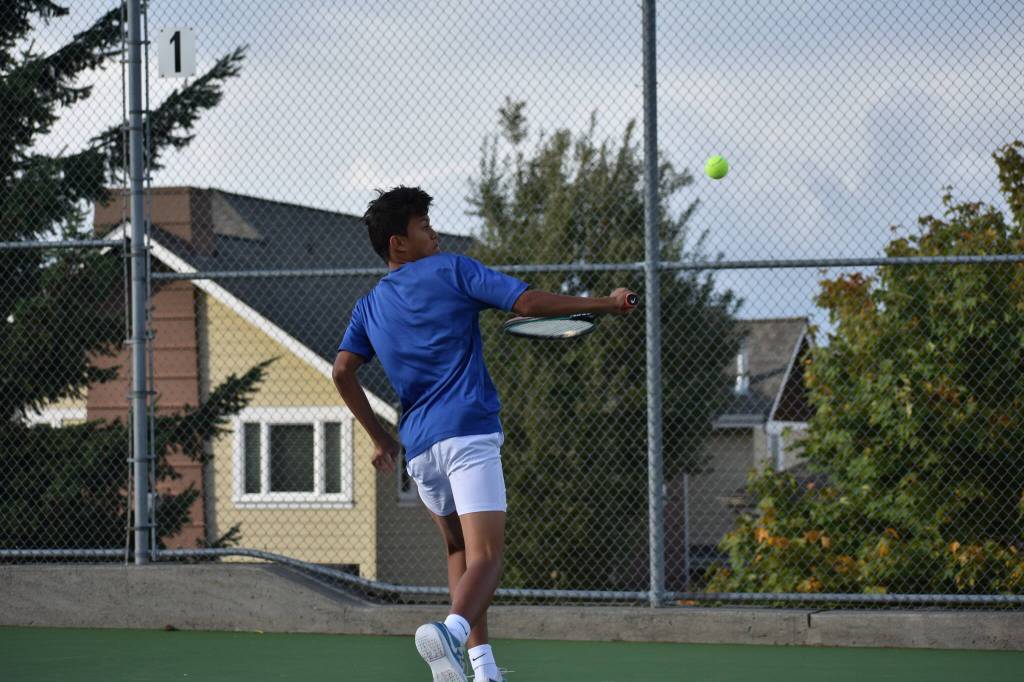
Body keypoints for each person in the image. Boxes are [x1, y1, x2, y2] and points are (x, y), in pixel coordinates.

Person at [332, 186, 637, 682]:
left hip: (420, 451)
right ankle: (450, 632)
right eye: (424, 226)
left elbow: (342, 371)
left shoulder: (368, 307)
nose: (435, 233)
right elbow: (527, 301)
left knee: (459, 551)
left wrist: (380, 437)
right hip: (468, 435)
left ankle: (482, 669)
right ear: (398, 243)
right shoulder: (452, 269)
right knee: (488, 559)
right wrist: (605, 302)